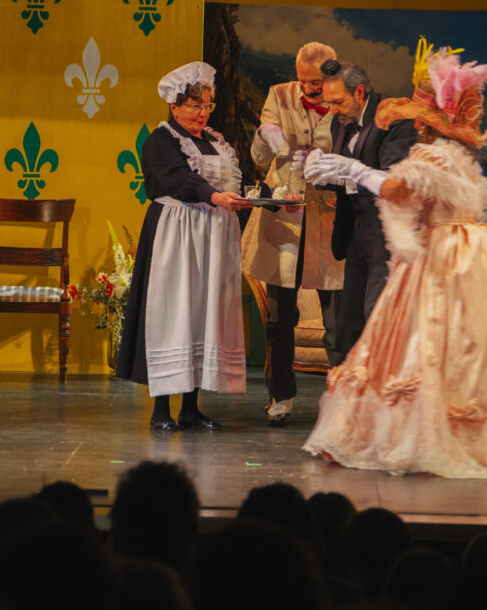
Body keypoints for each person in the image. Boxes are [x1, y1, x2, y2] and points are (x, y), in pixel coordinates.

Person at [302, 50, 487, 477]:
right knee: (450, 344)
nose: (414, 127)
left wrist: (354, 170)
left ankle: (427, 434)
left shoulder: (435, 157)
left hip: (445, 255)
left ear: (429, 125)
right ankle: (447, 426)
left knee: (424, 342)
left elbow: (396, 189)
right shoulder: (457, 156)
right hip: (462, 253)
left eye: (418, 121)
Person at [117, 61, 252, 430]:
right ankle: (161, 410)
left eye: (207, 105)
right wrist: (214, 196)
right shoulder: (161, 141)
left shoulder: (215, 141)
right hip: (176, 234)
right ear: (173, 106)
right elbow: (176, 179)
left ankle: (191, 408)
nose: (202, 113)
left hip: (213, 236)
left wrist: (265, 198)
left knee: (202, 314)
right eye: (195, 106)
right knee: (173, 312)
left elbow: (233, 183)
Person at [242, 42, 343, 427]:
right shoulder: (279, 96)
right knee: (279, 318)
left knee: (336, 324)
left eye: (316, 82)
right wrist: (268, 137)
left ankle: (342, 405)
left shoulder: (343, 102)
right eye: (303, 81)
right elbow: (260, 157)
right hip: (285, 221)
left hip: (327, 223)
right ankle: (281, 397)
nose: (308, 89)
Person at [308, 57, 417, 362]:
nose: (332, 110)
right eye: (328, 103)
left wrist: (349, 169)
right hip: (355, 230)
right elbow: (347, 177)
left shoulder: (394, 118)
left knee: (378, 317)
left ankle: (380, 384)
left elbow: (395, 181)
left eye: (337, 102)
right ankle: (349, 386)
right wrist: (323, 175)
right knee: (349, 326)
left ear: (359, 92)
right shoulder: (340, 122)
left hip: (385, 233)